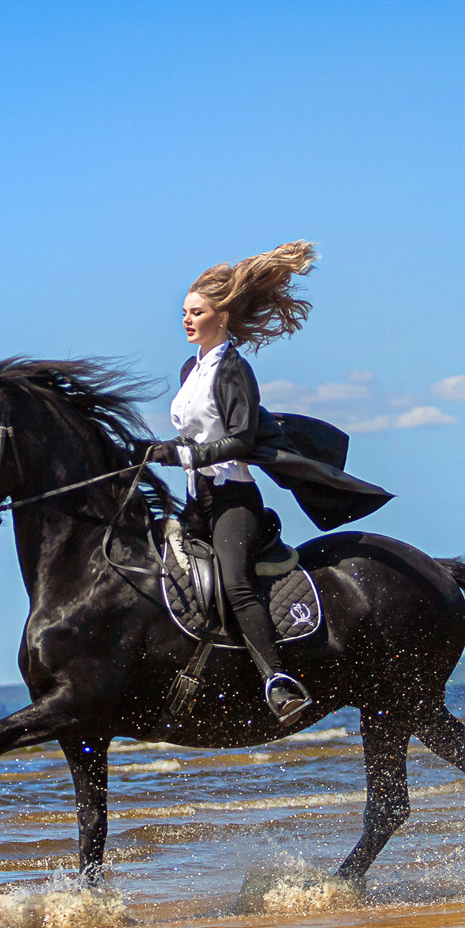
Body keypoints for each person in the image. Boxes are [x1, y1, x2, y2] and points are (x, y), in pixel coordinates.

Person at [149, 241, 330, 724]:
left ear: (222, 316)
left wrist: (185, 452)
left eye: (196, 312)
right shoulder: (192, 369)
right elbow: (194, 433)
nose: (186, 320)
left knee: (235, 584)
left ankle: (278, 681)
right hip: (196, 499)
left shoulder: (233, 368)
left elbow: (240, 437)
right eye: (184, 312)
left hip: (234, 498)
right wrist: (155, 450)